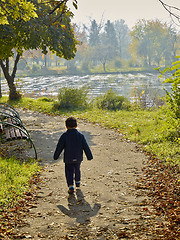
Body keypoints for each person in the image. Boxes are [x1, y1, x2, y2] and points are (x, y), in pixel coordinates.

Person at [53, 117, 93, 194]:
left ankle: (71, 186)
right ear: (76, 126)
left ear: (66, 126)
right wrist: (89, 156)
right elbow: (85, 146)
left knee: (69, 171)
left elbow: (59, 147)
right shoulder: (80, 135)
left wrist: (56, 156)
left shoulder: (64, 136)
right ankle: (77, 181)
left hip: (68, 158)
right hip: (78, 157)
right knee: (77, 168)